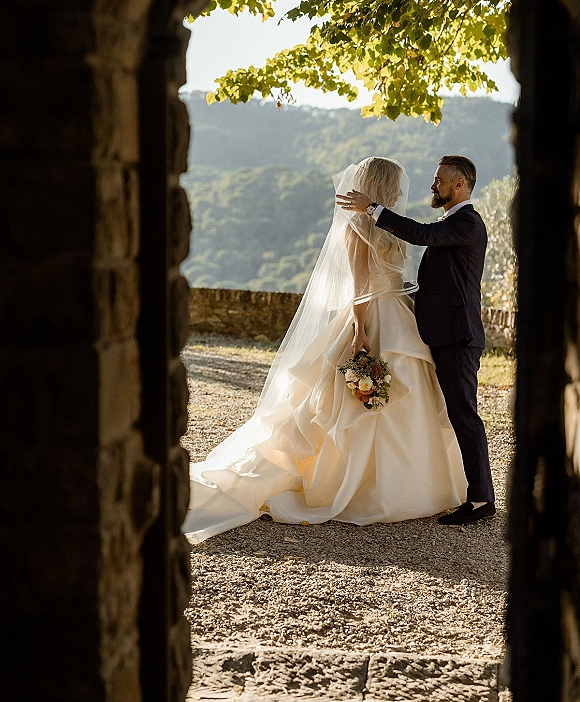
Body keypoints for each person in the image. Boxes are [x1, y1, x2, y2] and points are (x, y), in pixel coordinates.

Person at [182, 157, 467, 544]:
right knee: (347, 406)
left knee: (398, 400)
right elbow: (360, 284)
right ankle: (362, 488)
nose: (401, 193)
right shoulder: (356, 229)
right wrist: (359, 332)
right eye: (396, 186)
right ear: (383, 187)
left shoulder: (386, 225)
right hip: (372, 319)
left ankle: (403, 484)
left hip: (400, 317)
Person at [337, 155, 495, 526]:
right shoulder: (453, 221)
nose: (432, 186)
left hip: (458, 336)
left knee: (464, 415)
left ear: (460, 185)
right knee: (455, 411)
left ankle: (481, 500)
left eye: (439, 180)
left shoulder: (467, 223)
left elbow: (423, 236)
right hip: (435, 332)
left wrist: (373, 209)